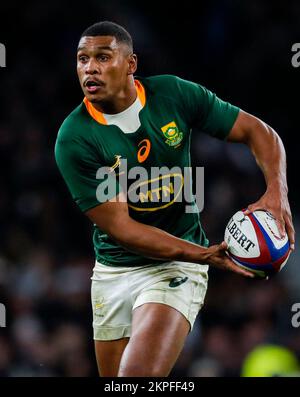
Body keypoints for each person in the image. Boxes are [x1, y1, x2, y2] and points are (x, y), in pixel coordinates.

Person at [54, 21, 295, 377]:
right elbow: (122, 228)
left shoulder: (173, 95)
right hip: (113, 271)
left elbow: (257, 132)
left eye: (103, 57)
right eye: (82, 59)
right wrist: (205, 254)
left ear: (131, 63)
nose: (90, 67)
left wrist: (277, 191)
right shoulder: (75, 138)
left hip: (175, 267)